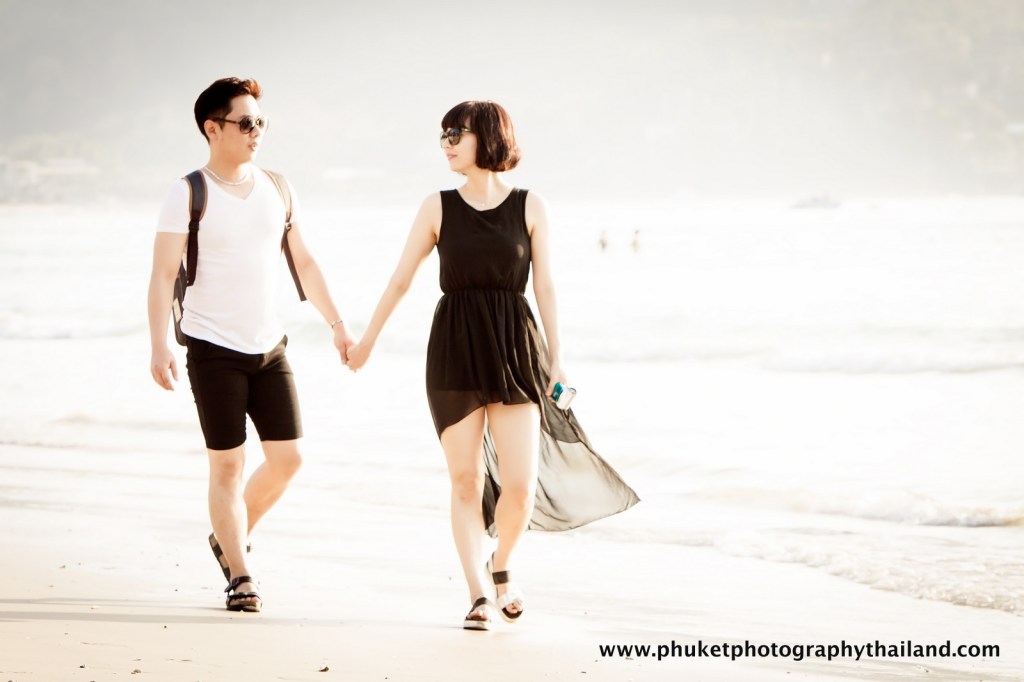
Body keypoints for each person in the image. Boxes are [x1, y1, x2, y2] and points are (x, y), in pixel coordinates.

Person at [346, 101, 639, 630]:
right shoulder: (436, 207)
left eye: (456, 132)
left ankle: (501, 563)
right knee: (465, 479)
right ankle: (478, 594)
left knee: (521, 485)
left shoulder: (531, 206)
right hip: (455, 345)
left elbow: (546, 286)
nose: (447, 143)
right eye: (443, 135)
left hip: (513, 346)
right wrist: (367, 341)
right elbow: (400, 279)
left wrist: (558, 361)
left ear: (488, 136)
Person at [146, 77, 354, 613]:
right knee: (228, 467)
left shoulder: (278, 187)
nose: (256, 131)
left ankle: (229, 535)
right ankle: (240, 574)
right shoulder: (188, 191)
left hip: (270, 346)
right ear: (212, 129)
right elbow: (162, 272)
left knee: (289, 460)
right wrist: (158, 346)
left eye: (260, 121)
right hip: (212, 348)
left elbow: (304, 262)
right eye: (245, 122)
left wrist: (337, 322)